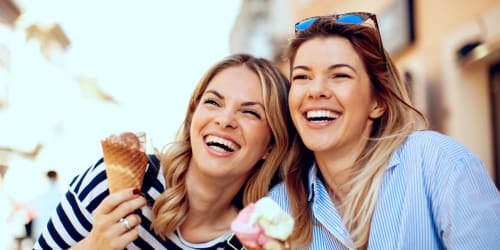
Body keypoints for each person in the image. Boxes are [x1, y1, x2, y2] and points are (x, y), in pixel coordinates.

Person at [268, 12, 500, 249]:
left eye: (340, 75)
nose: (316, 90)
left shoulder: (437, 163)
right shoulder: (277, 206)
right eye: (302, 76)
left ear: (378, 102)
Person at [33, 53, 293, 249]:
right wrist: (93, 246)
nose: (225, 120)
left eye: (249, 112)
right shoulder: (114, 186)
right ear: (193, 117)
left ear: (270, 146)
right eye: (213, 102)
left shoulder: (252, 240)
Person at [31, 170, 63, 242]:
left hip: (41, 234)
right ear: (57, 178)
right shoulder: (61, 195)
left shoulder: (39, 194)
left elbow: (32, 210)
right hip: (56, 234)